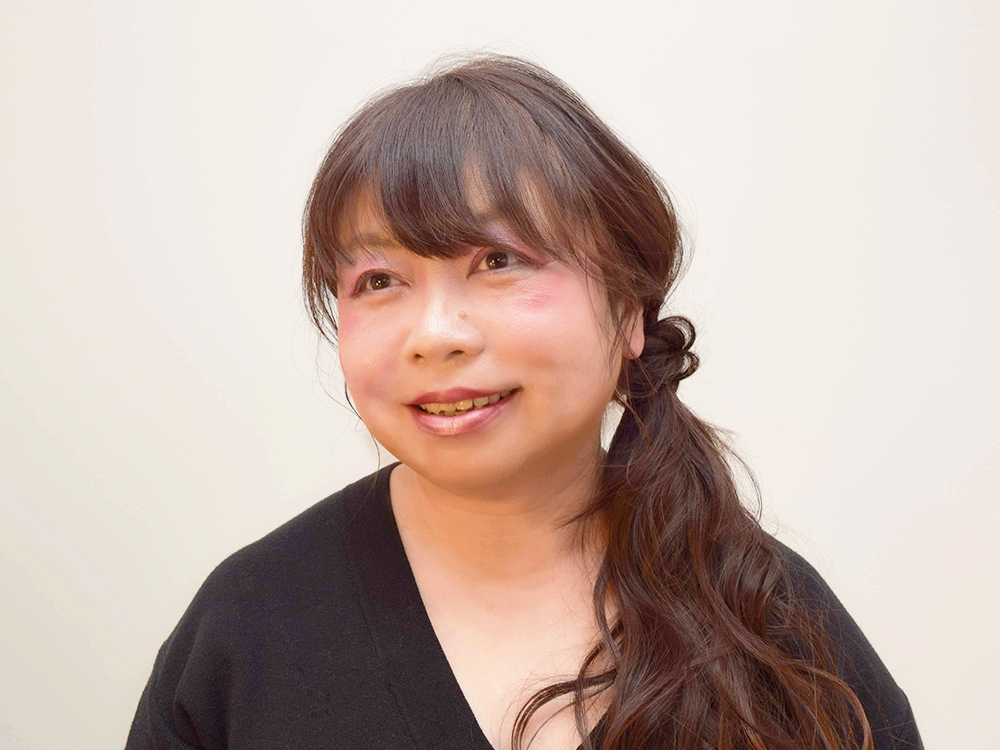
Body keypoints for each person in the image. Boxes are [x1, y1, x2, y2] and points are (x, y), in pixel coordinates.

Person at [125, 54, 922, 750]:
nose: (435, 334)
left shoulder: (777, 627)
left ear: (628, 311)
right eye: (379, 280)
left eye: (499, 260)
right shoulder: (247, 631)